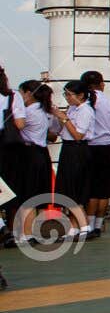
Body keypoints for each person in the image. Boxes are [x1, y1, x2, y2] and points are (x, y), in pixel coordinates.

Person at [11, 82, 59, 247]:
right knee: (37, 195)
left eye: (22, 93)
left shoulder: (28, 112)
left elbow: (18, 127)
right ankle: (32, 231)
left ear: (29, 93)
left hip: (28, 154)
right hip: (42, 153)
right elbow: (53, 134)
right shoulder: (46, 111)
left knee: (27, 195)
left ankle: (26, 234)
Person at [78, 70, 110, 239]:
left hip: (87, 147)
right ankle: (97, 224)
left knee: (90, 189)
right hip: (105, 148)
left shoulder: (82, 102)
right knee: (103, 190)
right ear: (102, 84)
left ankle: (86, 224)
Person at [52, 80, 96, 240]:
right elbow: (59, 131)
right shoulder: (72, 109)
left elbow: (78, 135)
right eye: (66, 94)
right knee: (67, 188)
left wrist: (64, 119)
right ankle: (74, 227)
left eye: (69, 95)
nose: (67, 98)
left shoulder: (86, 110)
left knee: (74, 189)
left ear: (81, 95)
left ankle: (84, 226)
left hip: (78, 149)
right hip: (68, 148)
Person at [0, 68, 24, 248]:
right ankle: (11, 230)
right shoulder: (13, 96)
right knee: (11, 189)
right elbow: (20, 124)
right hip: (10, 148)